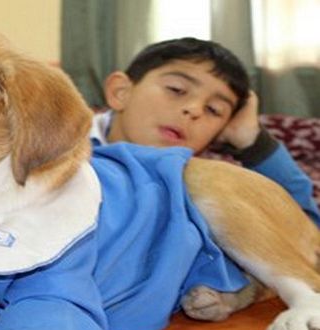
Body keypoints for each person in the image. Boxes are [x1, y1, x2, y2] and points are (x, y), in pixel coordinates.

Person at [92, 37, 320, 226]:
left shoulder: (200, 184)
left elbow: (306, 230)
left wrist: (253, 141)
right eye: (177, 89)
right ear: (120, 91)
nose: (194, 110)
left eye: (214, 110)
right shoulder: (65, 147)